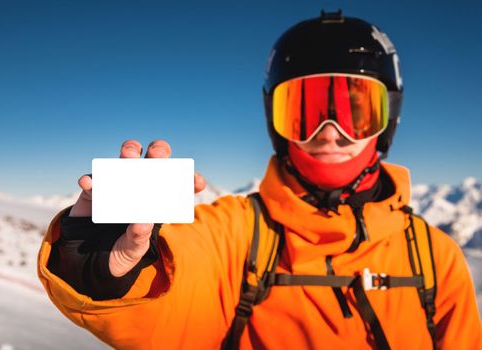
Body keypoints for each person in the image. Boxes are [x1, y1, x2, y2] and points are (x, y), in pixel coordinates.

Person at [38, 11, 482, 349]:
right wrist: (106, 272)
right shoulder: (233, 234)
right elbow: (176, 289)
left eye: (354, 111)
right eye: (304, 111)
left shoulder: (434, 258)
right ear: (277, 120)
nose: (329, 132)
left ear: (387, 119)